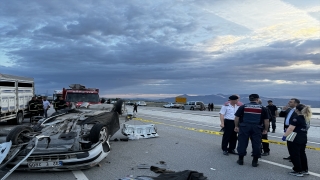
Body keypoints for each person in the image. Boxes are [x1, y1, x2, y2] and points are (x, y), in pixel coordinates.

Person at [234, 94, 269, 167]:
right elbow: (266, 120)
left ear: (249, 99)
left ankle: (240, 160)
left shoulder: (243, 106)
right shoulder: (262, 108)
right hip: (257, 127)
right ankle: (255, 161)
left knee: (242, 142)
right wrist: (266, 129)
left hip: (244, 126)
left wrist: (236, 126)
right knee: (256, 143)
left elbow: (237, 117)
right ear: (258, 99)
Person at [282, 104, 311, 177]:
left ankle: (298, 170)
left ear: (297, 110)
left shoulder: (296, 118)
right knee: (302, 153)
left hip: (294, 136)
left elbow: (290, 129)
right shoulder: (307, 118)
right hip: (303, 136)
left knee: (294, 154)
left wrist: (285, 136)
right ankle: (305, 169)